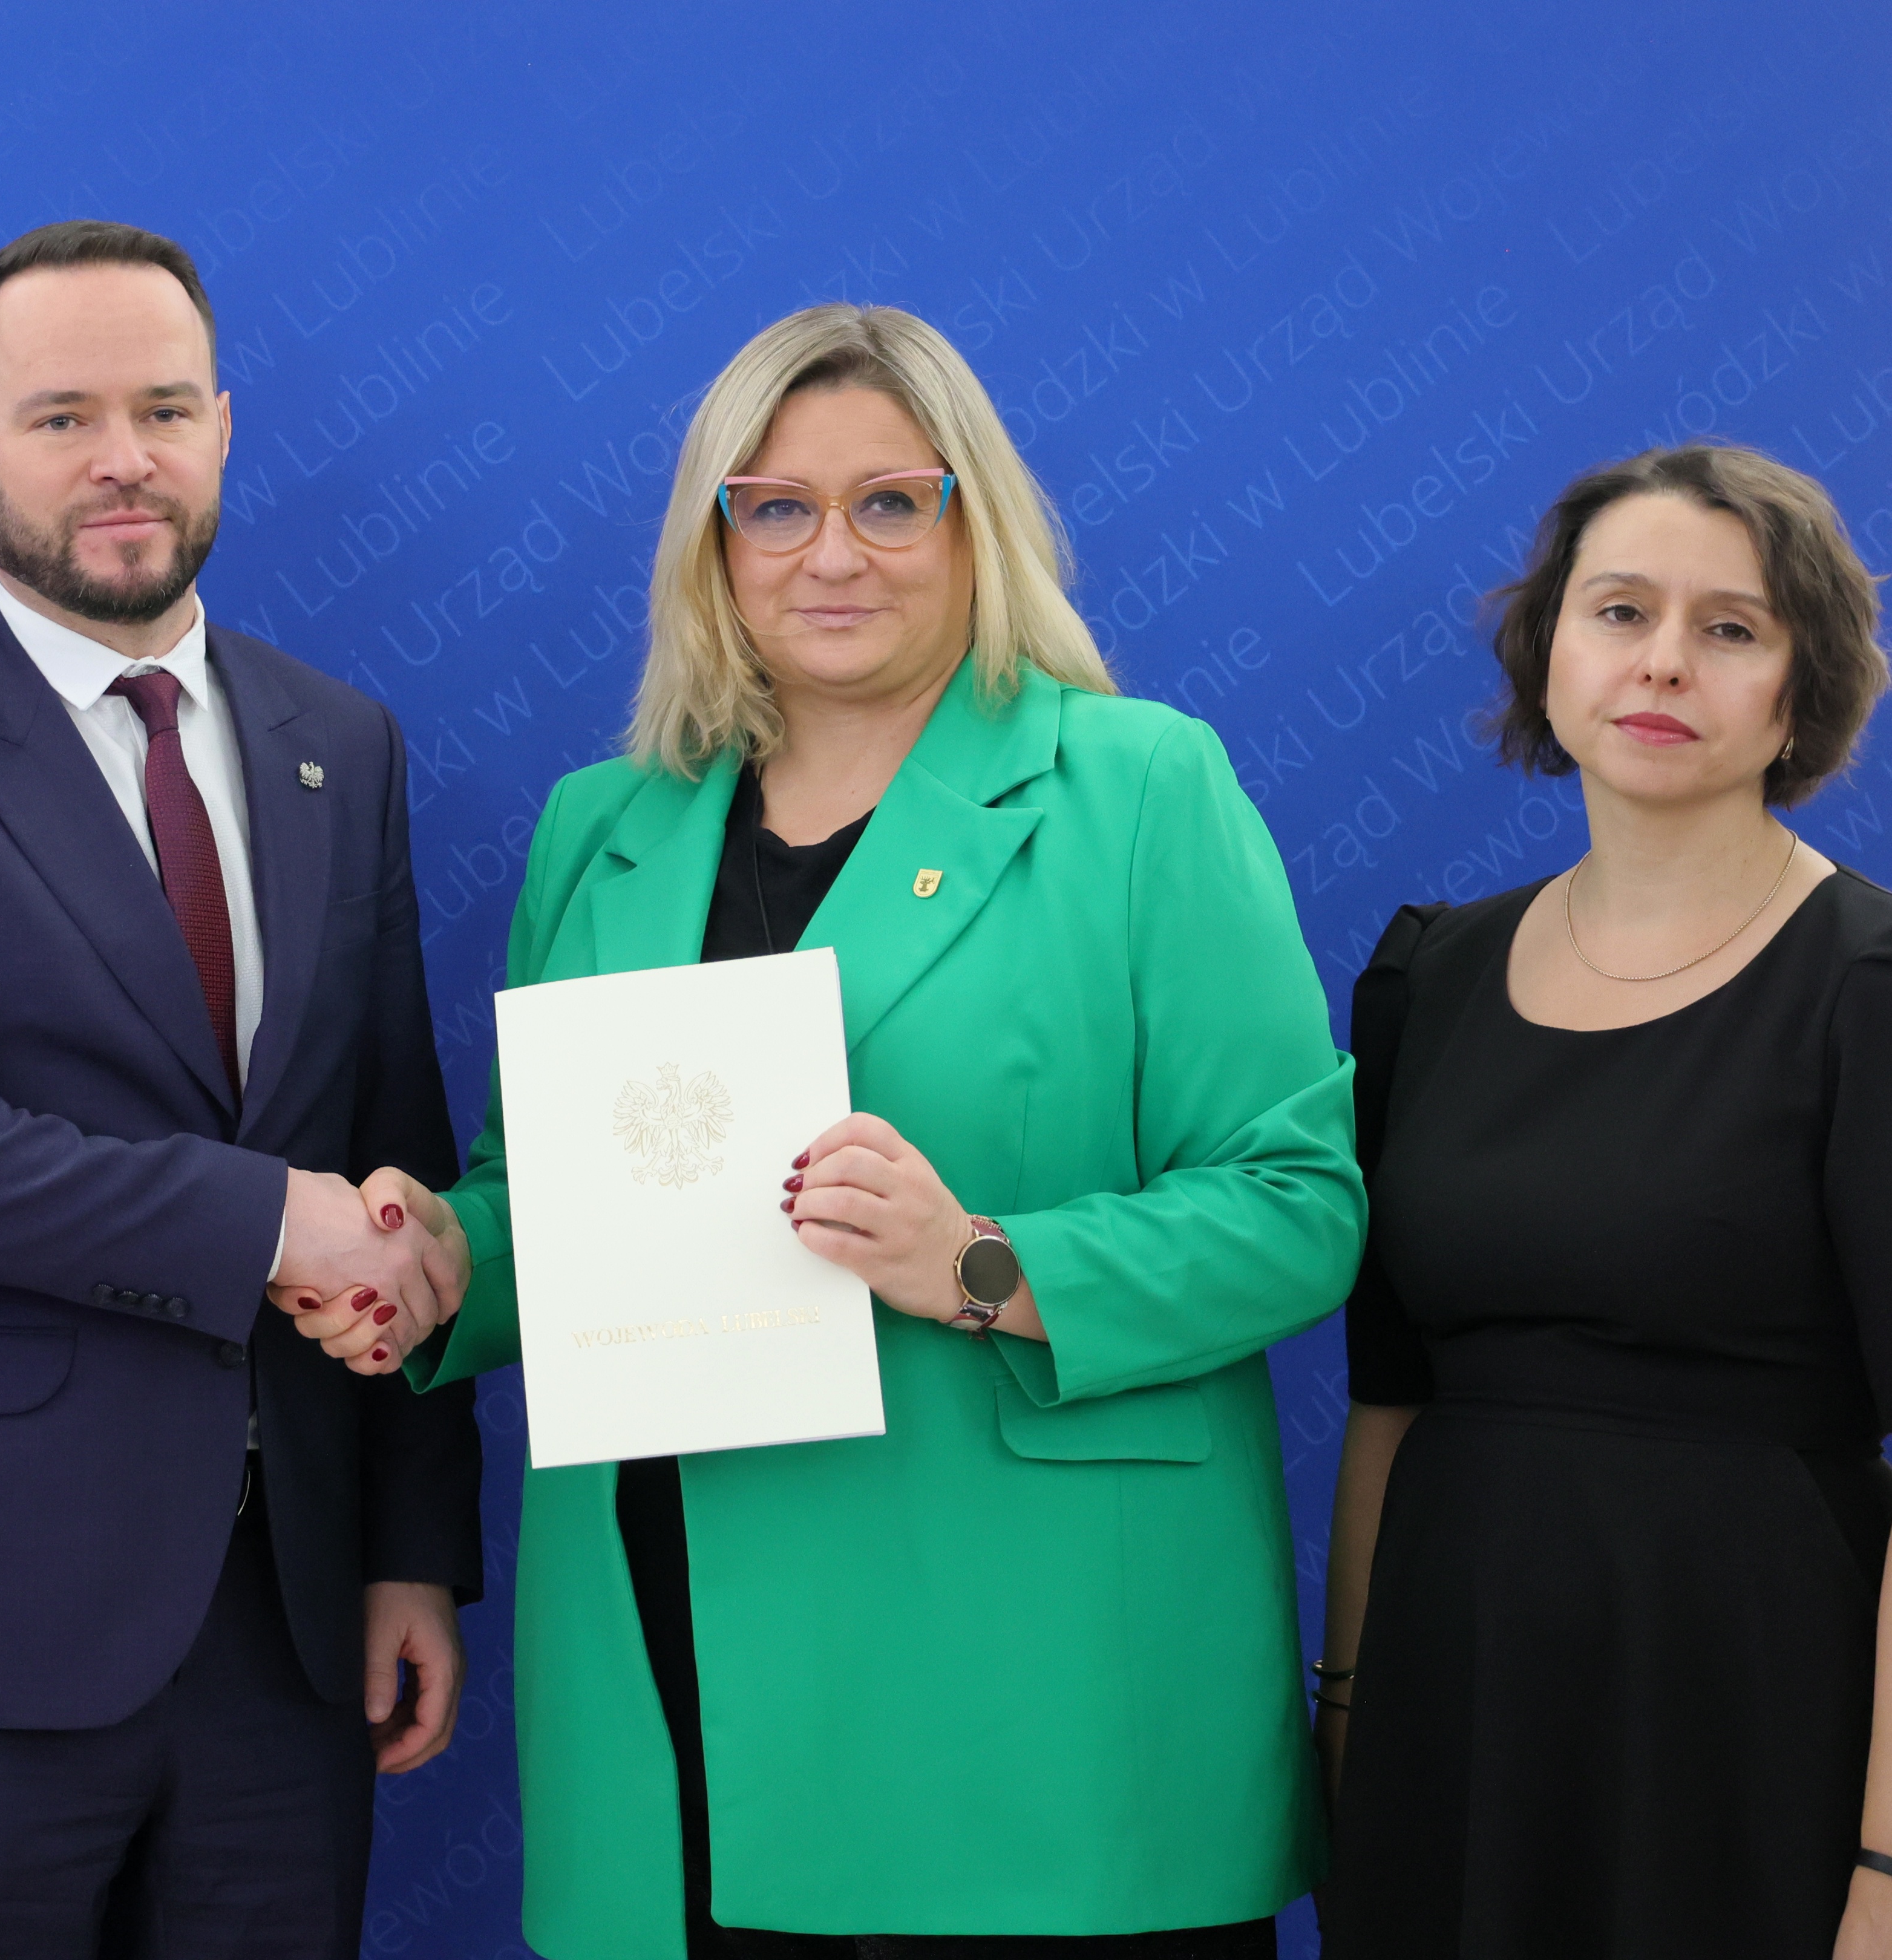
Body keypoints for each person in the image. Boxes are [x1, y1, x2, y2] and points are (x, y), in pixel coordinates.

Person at [282, 303, 1366, 1956]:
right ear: (713, 543)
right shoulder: (604, 830)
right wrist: (435, 1257)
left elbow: (1298, 1204)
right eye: (776, 507)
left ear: (973, 522)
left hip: (1031, 1687)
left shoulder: (1140, 786)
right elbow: (552, 1202)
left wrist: (984, 1263)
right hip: (673, 1656)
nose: (832, 554)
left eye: (890, 502)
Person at [0, 220, 483, 1960]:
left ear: (223, 427)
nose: (123, 458)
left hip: (290, 1637)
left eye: (163, 409)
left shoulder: (340, 742)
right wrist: (264, 1223)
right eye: (61, 416)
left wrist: (408, 1549)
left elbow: (394, 1150)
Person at [1317, 444, 1892, 1958]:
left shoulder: (1867, 989)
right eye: (1620, 610)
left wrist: (1890, 1867)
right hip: (1452, 1708)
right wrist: (1347, 1712)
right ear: (1549, 649)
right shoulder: (1427, 977)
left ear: (1803, 687)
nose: (1663, 662)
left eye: (1731, 627)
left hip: (1748, 1715)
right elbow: (1387, 1397)